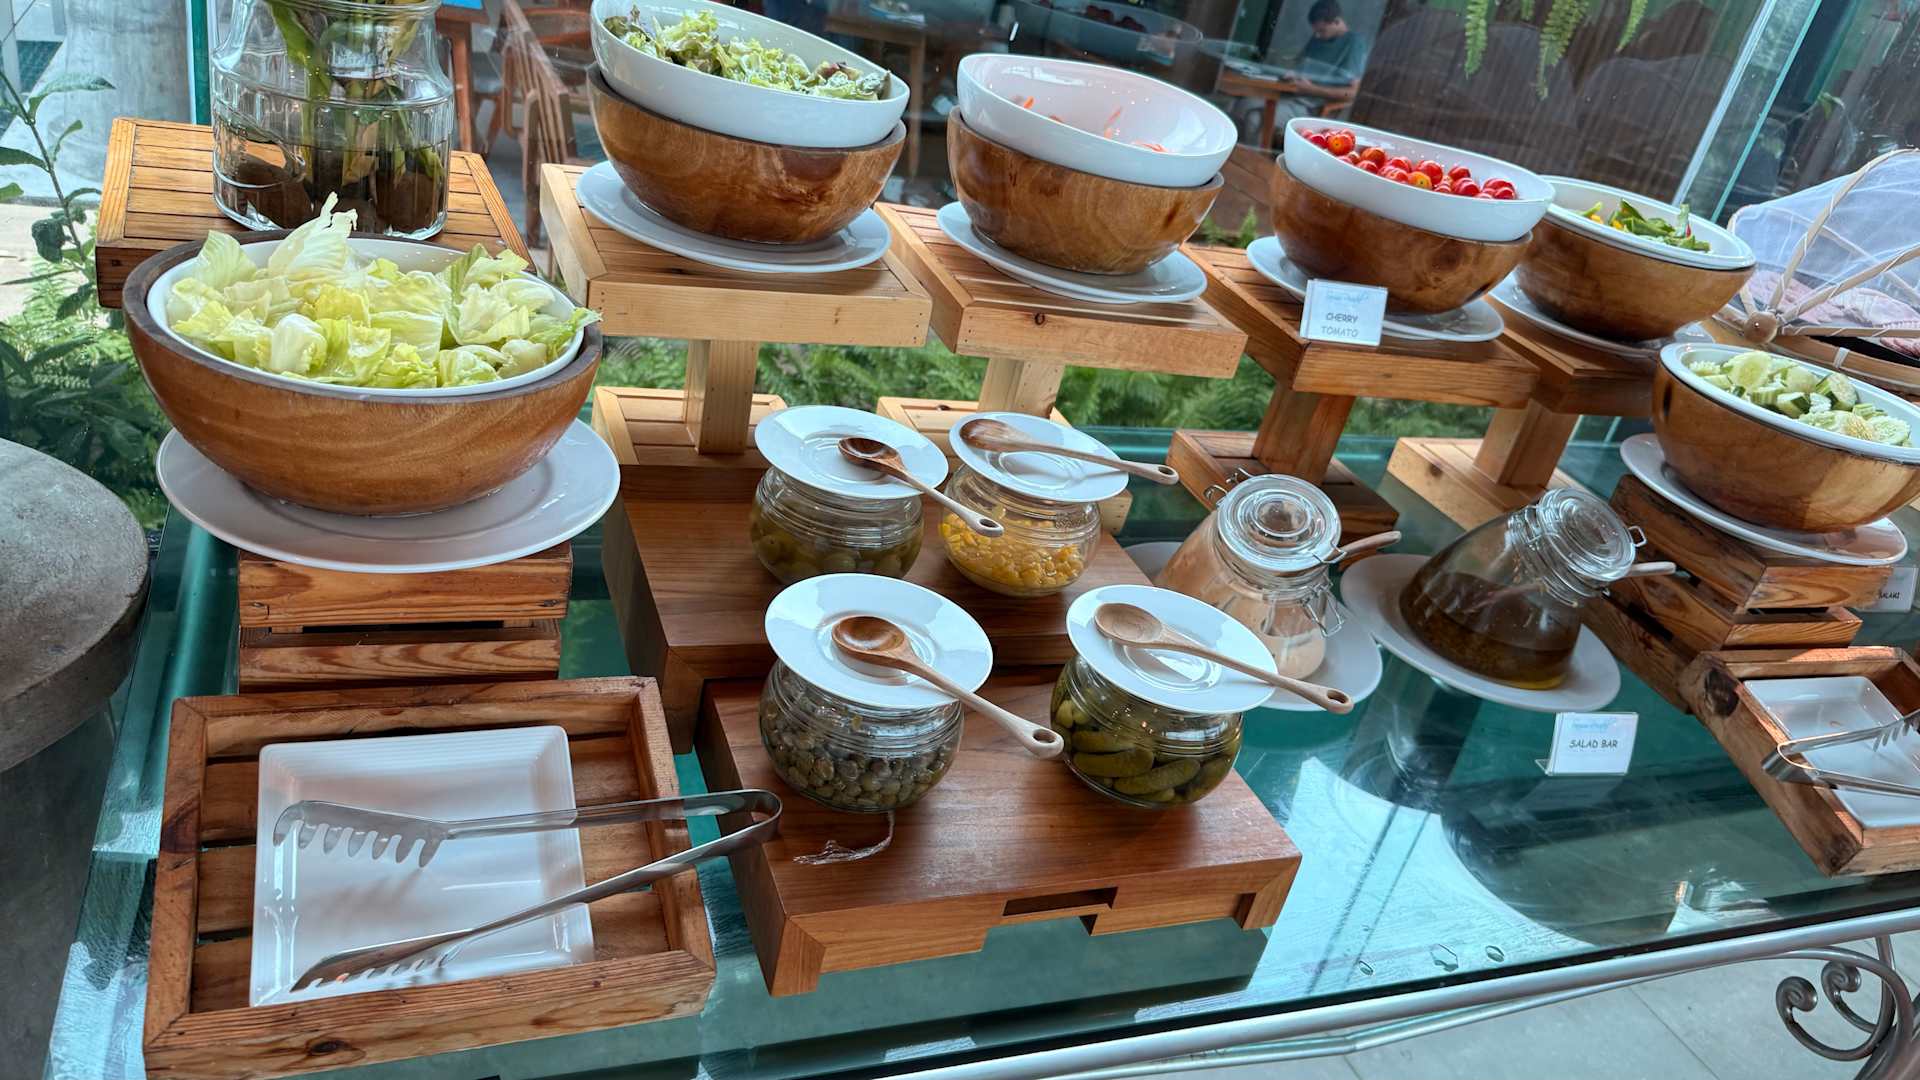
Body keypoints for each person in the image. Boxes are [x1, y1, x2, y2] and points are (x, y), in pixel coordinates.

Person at [1236, 0, 1366, 142]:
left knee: (1254, 119)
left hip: (1310, 107)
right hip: (1289, 95)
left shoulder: (1354, 44)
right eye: (1316, 31)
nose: (1318, 35)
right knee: (1242, 104)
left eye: (1322, 31)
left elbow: (1352, 93)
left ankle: (1254, 155)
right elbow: (1300, 64)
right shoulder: (1318, 38)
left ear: (1336, 21)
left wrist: (1311, 89)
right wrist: (1293, 73)